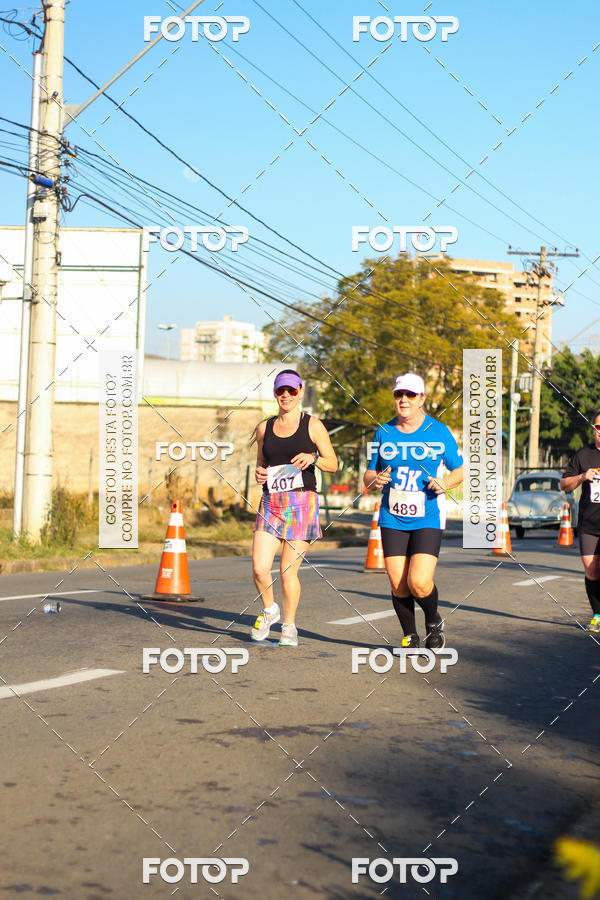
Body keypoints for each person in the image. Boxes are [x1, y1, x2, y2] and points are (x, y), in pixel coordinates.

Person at [363, 373, 463, 649]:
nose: (404, 400)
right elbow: (368, 474)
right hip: (392, 516)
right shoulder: (383, 432)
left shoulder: (438, 431)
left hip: (427, 515)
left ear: (421, 399)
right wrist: (374, 479)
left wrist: (444, 483)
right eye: (399, 394)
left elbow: (460, 470)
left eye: (410, 395)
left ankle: (433, 621)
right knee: (399, 584)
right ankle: (410, 635)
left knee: (418, 581)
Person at [251, 369, 338, 646]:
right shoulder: (264, 428)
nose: (286, 395)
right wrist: (259, 473)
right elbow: (261, 463)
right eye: (281, 390)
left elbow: (333, 464)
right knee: (259, 569)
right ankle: (269, 610)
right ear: (275, 393)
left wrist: (313, 458)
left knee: (287, 571)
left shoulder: (313, 426)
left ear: (300, 392)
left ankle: (289, 626)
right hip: (271, 503)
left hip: (301, 504)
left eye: (291, 390)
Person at [560, 411, 600, 633]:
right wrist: (582, 477)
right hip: (589, 523)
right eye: (598, 427)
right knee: (591, 569)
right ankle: (597, 615)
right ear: (593, 430)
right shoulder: (583, 456)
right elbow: (564, 484)